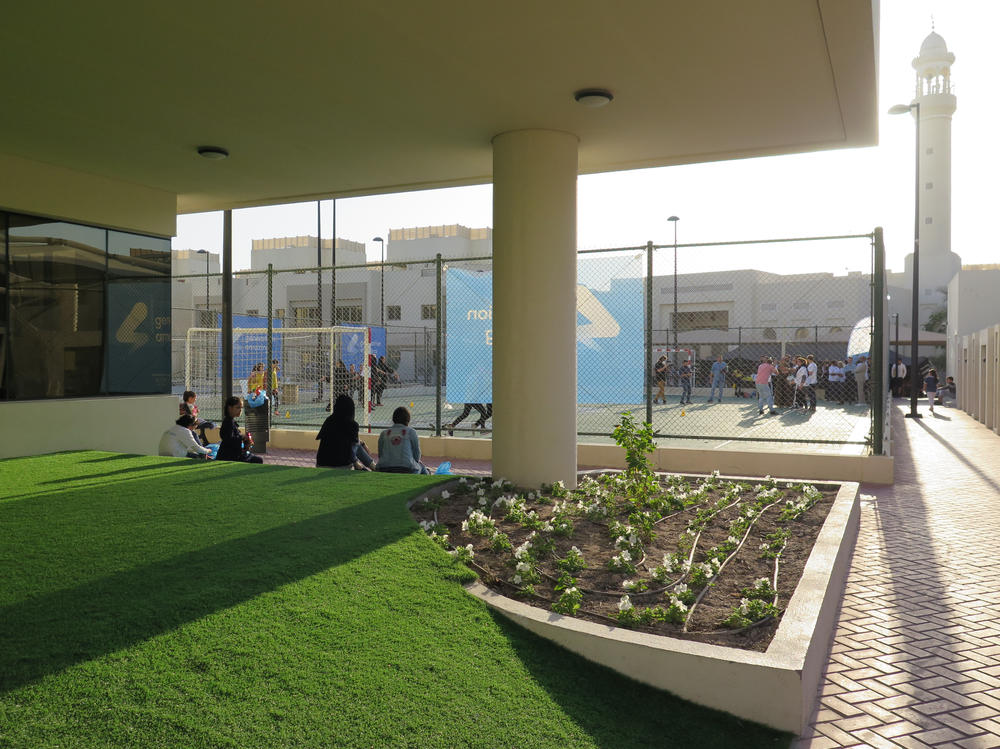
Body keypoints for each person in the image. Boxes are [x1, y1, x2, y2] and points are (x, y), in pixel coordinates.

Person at [316, 394, 374, 470]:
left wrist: (362, 443)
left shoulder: (329, 421)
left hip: (321, 463)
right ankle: (373, 466)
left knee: (355, 444)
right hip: (341, 465)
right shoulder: (352, 424)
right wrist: (356, 462)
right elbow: (352, 446)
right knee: (356, 445)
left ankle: (371, 465)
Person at [376, 406, 429, 474]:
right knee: (422, 467)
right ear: (408, 419)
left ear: (393, 419)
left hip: (383, 467)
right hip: (407, 469)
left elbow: (380, 454)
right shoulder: (411, 432)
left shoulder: (384, 433)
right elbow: (417, 454)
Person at [216, 396, 263, 463]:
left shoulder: (230, 421)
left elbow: (234, 440)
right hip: (229, 457)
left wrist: (245, 443)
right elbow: (229, 440)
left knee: (256, 459)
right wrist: (243, 437)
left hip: (233, 455)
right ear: (230, 408)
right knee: (258, 460)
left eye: (241, 408)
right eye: (238, 407)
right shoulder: (228, 422)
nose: (240, 410)